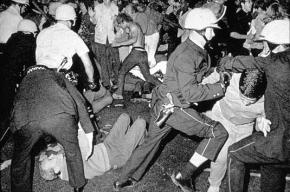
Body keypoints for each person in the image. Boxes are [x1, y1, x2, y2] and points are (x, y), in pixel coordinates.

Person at [113, 8, 229, 192]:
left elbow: (193, 77)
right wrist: (220, 88)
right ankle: (184, 176)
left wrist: (213, 73)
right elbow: (190, 93)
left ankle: (123, 180)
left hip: (164, 105)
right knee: (218, 132)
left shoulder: (192, 48)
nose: (213, 32)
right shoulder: (188, 55)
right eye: (211, 28)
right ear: (201, 30)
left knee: (150, 143)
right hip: (176, 108)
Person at [217, 19, 290, 192]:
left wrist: (222, 63)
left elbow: (238, 63)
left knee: (234, 154)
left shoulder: (270, 64)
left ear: (272, 44)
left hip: (278, 143)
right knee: (271, 169)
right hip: (279, 143)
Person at [10, 65, 95, 192]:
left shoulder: (23, 82)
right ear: (45, 68)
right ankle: (78, 185)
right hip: (61, 114)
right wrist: (89, 132)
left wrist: (18, 139)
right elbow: (79, 101)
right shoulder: (56, 75)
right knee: (72, 149)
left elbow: (14, 110)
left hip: (26, 120)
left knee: (20, 162)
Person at [201, 69, 266, 192]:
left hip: (245, 126)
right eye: (242, 97)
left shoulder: (270, 97)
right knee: (220, 156)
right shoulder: (231, 77)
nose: (245, 103)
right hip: (223, 118)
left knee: (237, 161)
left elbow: (262, 121)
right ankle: (214, 184)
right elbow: (203, 85)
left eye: (251, 101)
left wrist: (261, 123)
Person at [39, 113, 147, 180]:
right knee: (141, 122)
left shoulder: (62, 164)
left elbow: (57, 148)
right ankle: (140, 144)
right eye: (50, 159)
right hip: (115, 157)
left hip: (105, 146)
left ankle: (134, 140)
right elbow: (83, 142)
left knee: (125, 117)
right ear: (56, 170)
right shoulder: (72, 167)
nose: (52, 156)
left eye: (49, 157)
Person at [36, 4, 98, 90]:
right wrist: (91, 82)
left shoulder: (42, 33)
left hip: (38, 75)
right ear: (73, 20)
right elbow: (88, 65)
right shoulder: (73, 36)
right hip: (58, 77)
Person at [0, 19, 38, 139]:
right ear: (31, 32)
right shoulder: (29, 42)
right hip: (12, 80)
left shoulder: (12, 39)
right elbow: (31, 65)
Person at [111, 13, 161, 100]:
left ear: (123, 21)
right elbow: (134, 39)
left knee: (122, 72)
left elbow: (133, 40)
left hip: (136, 53)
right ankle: (164, 88)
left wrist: (118, 44)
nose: (120, 26)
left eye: (120, 24)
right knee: (148, 77)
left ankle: (119, 93)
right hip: (142, 54)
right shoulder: (134, 26)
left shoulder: (133, 26)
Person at [88, 0, 119, 89]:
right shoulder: (98, 8)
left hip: (112, 37)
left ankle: (116, 80)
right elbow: (94, 22)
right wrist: (92, 16)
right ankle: (106, 83)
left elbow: (116, 23)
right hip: (100, 38)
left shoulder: (115, 7)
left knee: (115, 59)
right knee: (103, 60)